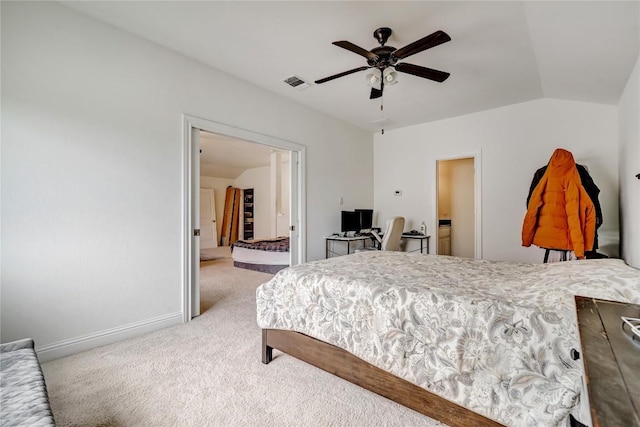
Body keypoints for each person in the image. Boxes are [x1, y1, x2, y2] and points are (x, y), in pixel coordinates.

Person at [522, 148, 596, 261]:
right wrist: (591, 238)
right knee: (576, 275)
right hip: (575, 238)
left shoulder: (542, 174)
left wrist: (527, 237)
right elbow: (592, 204)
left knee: (551, 274)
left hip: (550, 239)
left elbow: (531, 205)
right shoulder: (579, 172)